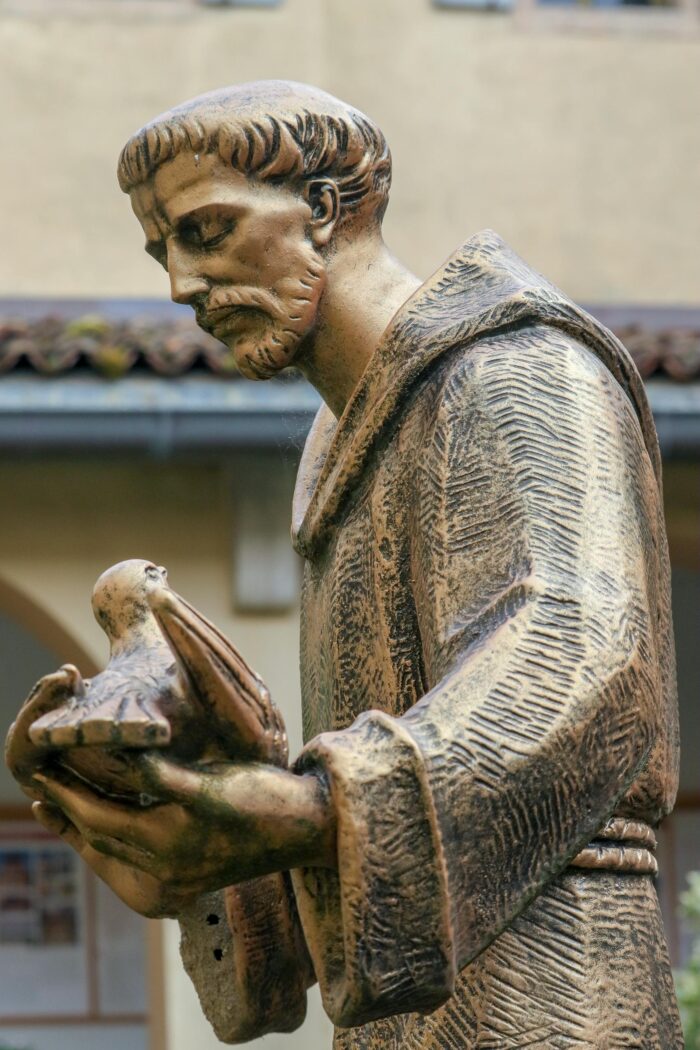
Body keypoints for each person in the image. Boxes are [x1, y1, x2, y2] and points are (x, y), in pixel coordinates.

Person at [6, 82, 682, 1048]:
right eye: (163, 251)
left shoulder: (517, 369)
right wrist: (201, 837)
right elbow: (359, 844)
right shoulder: (344, 443)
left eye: (207, 230)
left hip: (554, 999)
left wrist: (312, 805)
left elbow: (581, 657)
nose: (180, 285)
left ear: (326, 210)